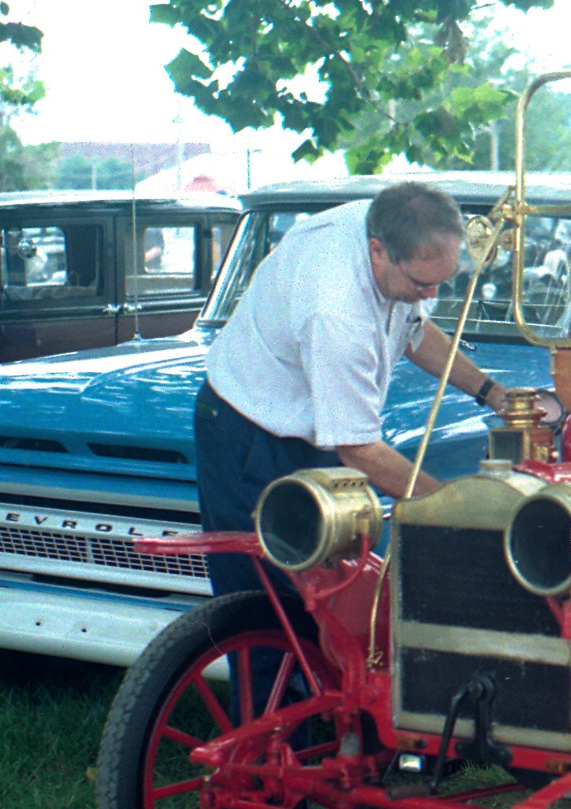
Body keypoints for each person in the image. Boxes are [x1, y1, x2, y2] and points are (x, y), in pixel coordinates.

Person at [195, 181, 508, 596]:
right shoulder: (335, 312)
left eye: (442, 282)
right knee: (275, 599)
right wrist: (456, 507)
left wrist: (492, 393)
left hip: (310, 428)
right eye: (421, 284)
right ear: (378, 250)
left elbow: (414, 328)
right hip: (250, 432)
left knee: (333, 590)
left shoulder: (392, 228)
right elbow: (357, 449)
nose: (430, 294)